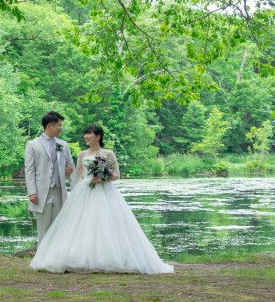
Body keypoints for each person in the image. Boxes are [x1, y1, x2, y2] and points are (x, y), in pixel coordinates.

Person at [30, 124, 174, 274]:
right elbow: (78, 176)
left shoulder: (108, 153)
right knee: (82, 223)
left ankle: (107, 257)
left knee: (105, 222)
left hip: (105, 192)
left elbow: (117, 174)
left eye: (89, 134)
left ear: (97, 136)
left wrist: (104, 177)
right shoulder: (82, 155)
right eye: (85, 134)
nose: (85, 136)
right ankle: (79, 257)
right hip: (84, 191)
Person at [24, 111, 75, 241]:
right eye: (58, 125)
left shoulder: (63, 145)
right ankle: (41, 259)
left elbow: (71, 168)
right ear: (49, 126)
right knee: (43, 228)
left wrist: (76, 191)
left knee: (59, 227)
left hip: (59, 191)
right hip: (41, 193)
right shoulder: (33, 144)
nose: (60, 128)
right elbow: (29, 169)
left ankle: (55, 259)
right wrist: (32, 192)